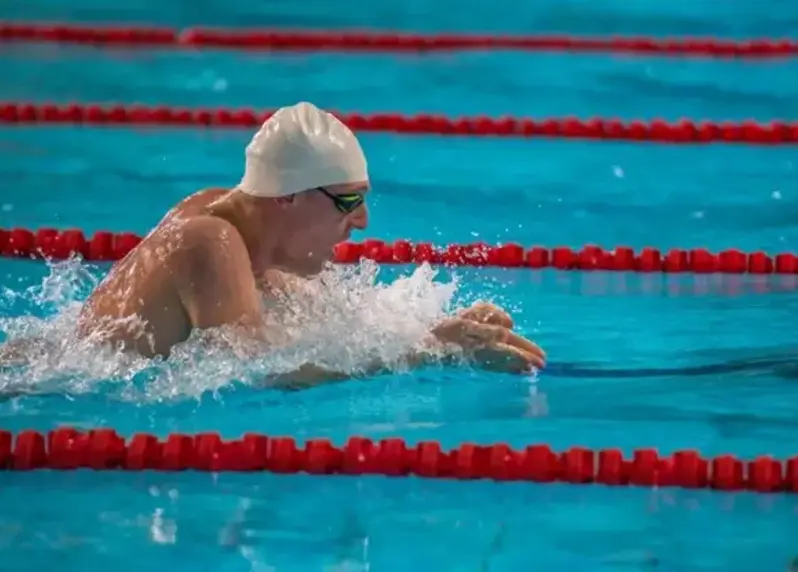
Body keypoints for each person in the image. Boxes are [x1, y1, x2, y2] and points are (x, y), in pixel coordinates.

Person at [69, 101, 545, 385]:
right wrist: (424, 351)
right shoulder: (209, 241)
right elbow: (259, 375)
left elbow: (323, 333)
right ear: (289, 197)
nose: (362, 220)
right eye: (348, 202)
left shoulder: (244, 230)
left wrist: (447, 332)